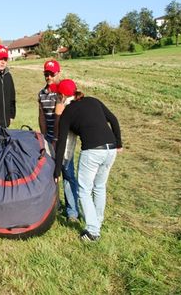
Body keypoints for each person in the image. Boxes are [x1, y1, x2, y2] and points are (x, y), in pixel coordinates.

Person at [52, 79, 123, 242]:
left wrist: (57, 171)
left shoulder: (67, 113)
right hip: (110, 149)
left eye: (57, 94)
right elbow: (113, 120)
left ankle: (92, 232)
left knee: (84, 190)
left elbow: (61, 143)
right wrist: (118, 143)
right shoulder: (93, 100)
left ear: (62, 96)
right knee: (99, 186)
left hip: (92, 151)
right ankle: (97, 221)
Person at [38, 60, 79, 222]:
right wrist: (44, 137)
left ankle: (72, 212)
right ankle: (54, 205)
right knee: (50, 174)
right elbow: (41, 116)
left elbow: (63, 118)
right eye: (46, 74)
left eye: (52, 74)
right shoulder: (41, 94)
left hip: (63, 140)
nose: (49, 77)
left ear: (58, 74)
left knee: (68, 174)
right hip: (48, 139)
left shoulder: (62, 93)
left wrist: (56, 138)